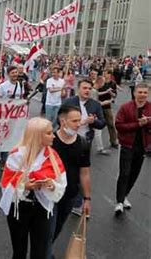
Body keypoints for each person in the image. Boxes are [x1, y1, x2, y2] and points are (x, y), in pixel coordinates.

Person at [0, 117, 67, 259]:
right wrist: (25, 186)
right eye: (48, 133)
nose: (53, 135)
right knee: (19, 251)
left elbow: (61, 184)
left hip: (43, 209)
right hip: (19, 209)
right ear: (37, 135)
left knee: (40, 252)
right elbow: (6, 185)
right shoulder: (16, 155)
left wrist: (52, 185)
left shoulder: (53, 156)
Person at [48, 105, 91, 258]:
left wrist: (86, 199)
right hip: (48, 196)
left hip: (70, 196)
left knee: (57, 228)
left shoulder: (83, 143)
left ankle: (45, 249)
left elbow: (84, 173)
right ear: (63, 121)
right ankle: (45, 252)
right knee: (48, 229)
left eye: (79, 120)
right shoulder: (49, 141)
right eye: (74, 121)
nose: (79, 124)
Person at [62, 79, 106, 215]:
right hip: (68, 140)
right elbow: (61, 121)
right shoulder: (69, 102)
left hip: (84, 142)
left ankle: (78, 203)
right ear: (78, 89)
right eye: (84, 88)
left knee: (81, 172)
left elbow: (102, 123)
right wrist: (80, 122)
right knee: (66, 170)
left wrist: (93, 122)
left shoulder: (95, 105)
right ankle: (62, 197)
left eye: (89, 88)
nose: (87, 90)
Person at [114, 83, 151, 215]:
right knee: (124, 173)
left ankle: (124, 196)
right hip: (127, 145)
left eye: (145, 92)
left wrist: (148, 123)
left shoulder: (150, 107)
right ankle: (119, 201)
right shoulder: (126, 107)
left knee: (134, 174)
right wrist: (137, 124)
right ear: (135, 93)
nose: (142, 95)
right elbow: (118, 125)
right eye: (140, 92)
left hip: (142, 147)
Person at [100, 69, 119, 149]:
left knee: (111, 125)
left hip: (107, 106)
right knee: (95, 125)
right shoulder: (100, 82)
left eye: (105, 73)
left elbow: (115, 96)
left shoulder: (113, 83)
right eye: (103, 73)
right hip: (98, 105)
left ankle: (113, 141)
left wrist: (110, 92)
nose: (104, 74)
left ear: (109, 75)